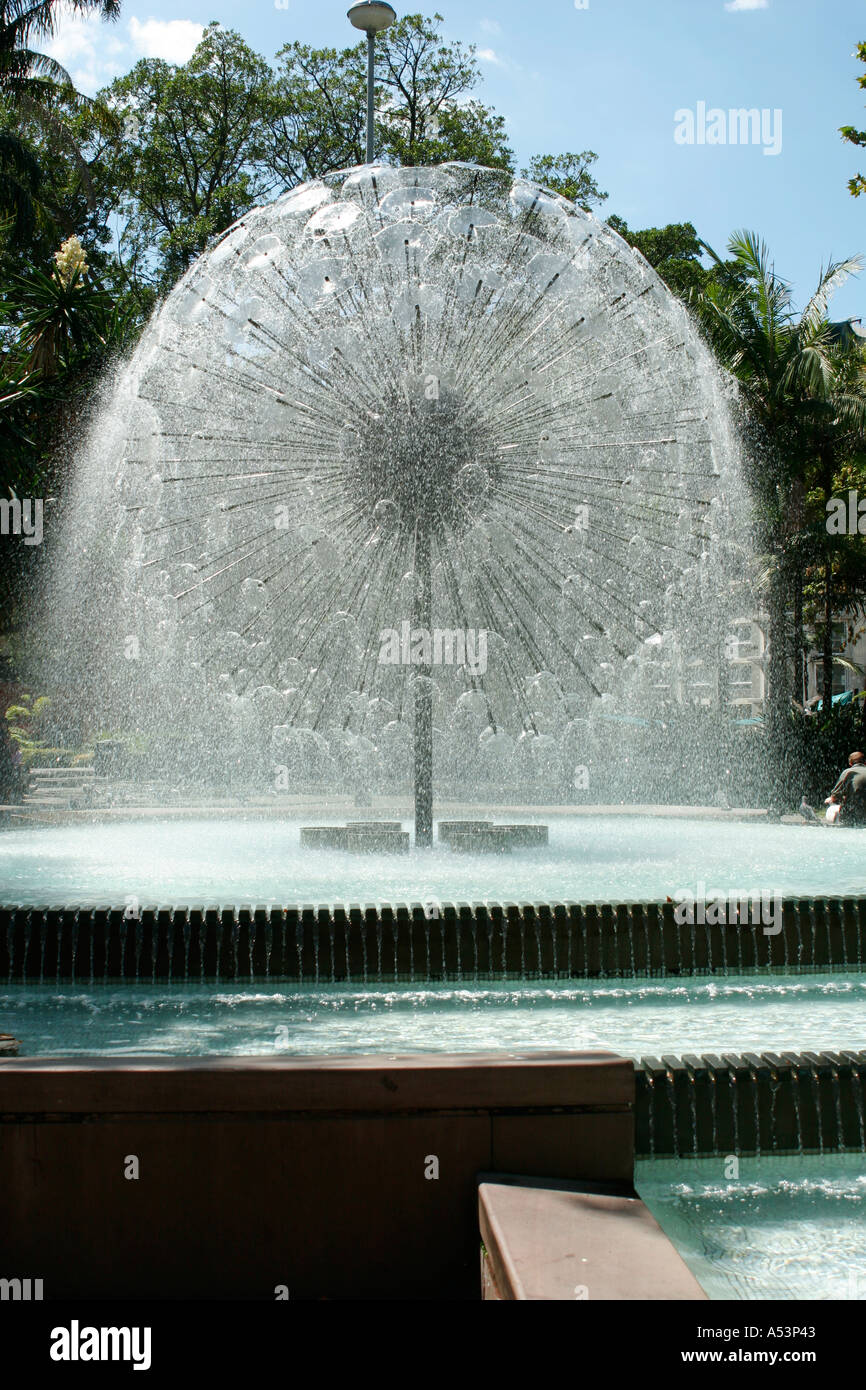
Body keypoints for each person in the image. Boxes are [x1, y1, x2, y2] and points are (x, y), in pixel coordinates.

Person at [826, 751, 866, 826]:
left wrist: (830, 799)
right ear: (865, 762)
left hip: (852, 814)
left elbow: (835, 795)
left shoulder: (848, 772)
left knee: (831, 810)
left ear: (850, 763)